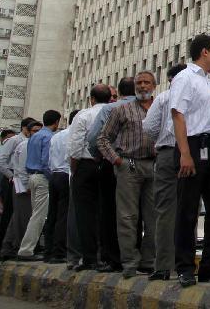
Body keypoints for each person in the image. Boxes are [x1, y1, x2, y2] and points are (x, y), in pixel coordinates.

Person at [170, 34, 210, 287]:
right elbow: (178, 114)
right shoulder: (185, 78)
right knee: (188, 209)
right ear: (204, 52)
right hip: (192, 145)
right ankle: (184, 266)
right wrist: (185, 153)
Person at [98, 71, 159, 279]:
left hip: (154, 166)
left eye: (147, 82)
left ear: (154, 85)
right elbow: (103, 139)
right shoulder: (122, 110)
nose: (143, 86)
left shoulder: (160, 109)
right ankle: (130, 262)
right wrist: (116, 160)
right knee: (127, 216)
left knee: (154, 217)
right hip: (129, 166)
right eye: (139, 83)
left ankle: (149, 261)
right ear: (134, 87)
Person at [141, 63, 186, 281]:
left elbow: (148, 128)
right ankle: (184, 265)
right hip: (194, 152)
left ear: (170, 80)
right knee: (188, 208)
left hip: (168, 153)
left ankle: (163, 265)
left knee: (164, 209)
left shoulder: (163, 98)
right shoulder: (199, 92)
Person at [86, 76, 135, 272]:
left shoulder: (109, 109)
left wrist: (101, 158)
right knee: (135, 211)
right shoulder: (147, 106)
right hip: (140, 163)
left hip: (113, 162)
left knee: (110, 212)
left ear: (120, 93)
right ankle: (135, 255)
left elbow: (93, 139)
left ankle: (114, 258)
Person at [69, 84, 114, 270]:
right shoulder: (114, 111)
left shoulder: (83, 115)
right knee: (107, 211)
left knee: (84, 214)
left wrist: (75, 169)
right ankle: (106, 255)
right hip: (109, 163)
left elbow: (75, 145)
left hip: (86, 165)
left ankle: (89, 257)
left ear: (92, 99)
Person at [18, 110, 61, 260]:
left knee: (35, 214)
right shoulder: (49, 137)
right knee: (39, 216)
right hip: (42, 177)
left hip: (32, 176)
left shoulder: (34, 136)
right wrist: (52, 178)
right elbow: (45, 162)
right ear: (56, 122)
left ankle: (28, 248)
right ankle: (26, 250)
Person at [0, 118, 34, 259]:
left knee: (18, 213)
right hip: (12, 179)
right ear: (25, 129)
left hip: (20, 178)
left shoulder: (29, 142)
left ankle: (9, 246)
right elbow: (1, 161)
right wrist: (11, 176)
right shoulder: (15, 140)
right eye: (32, 130)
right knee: (8, 213)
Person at [0, 121, 42, 260]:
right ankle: (18, 247)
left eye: (39, 131)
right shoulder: (25, 146)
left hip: (23, 184)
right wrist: (26, 186)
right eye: (35, 131)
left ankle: (8, 246)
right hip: (22, 185)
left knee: (18, 217)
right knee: (23, 217)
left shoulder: (30, 145)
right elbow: (22, 168)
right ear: (28, 132)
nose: (37, 134)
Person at [47, 110, 77, 264]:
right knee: (64, 214)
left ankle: (49, 249)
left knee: (52, 212)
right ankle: (59, 250)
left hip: (54, 175)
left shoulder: (57, 135)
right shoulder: (73, 134)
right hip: (66, 174)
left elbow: (50, 157)